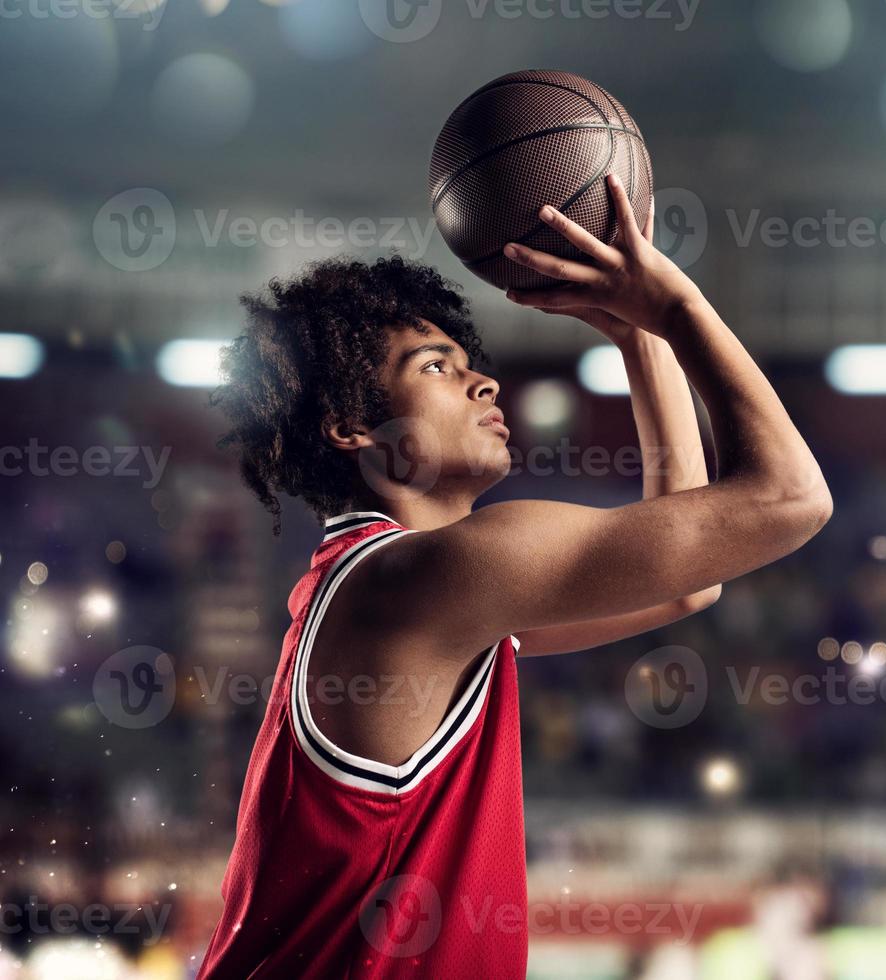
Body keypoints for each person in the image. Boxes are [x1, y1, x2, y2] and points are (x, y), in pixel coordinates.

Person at [199, 172, 832, 977]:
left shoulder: (402, 591)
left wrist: (639, 338)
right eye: (435, 368)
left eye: (468, 362)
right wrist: (675, 307)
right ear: (353, 428)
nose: (483, 380)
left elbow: (684, 583)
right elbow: (788, 499)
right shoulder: (426, 579)